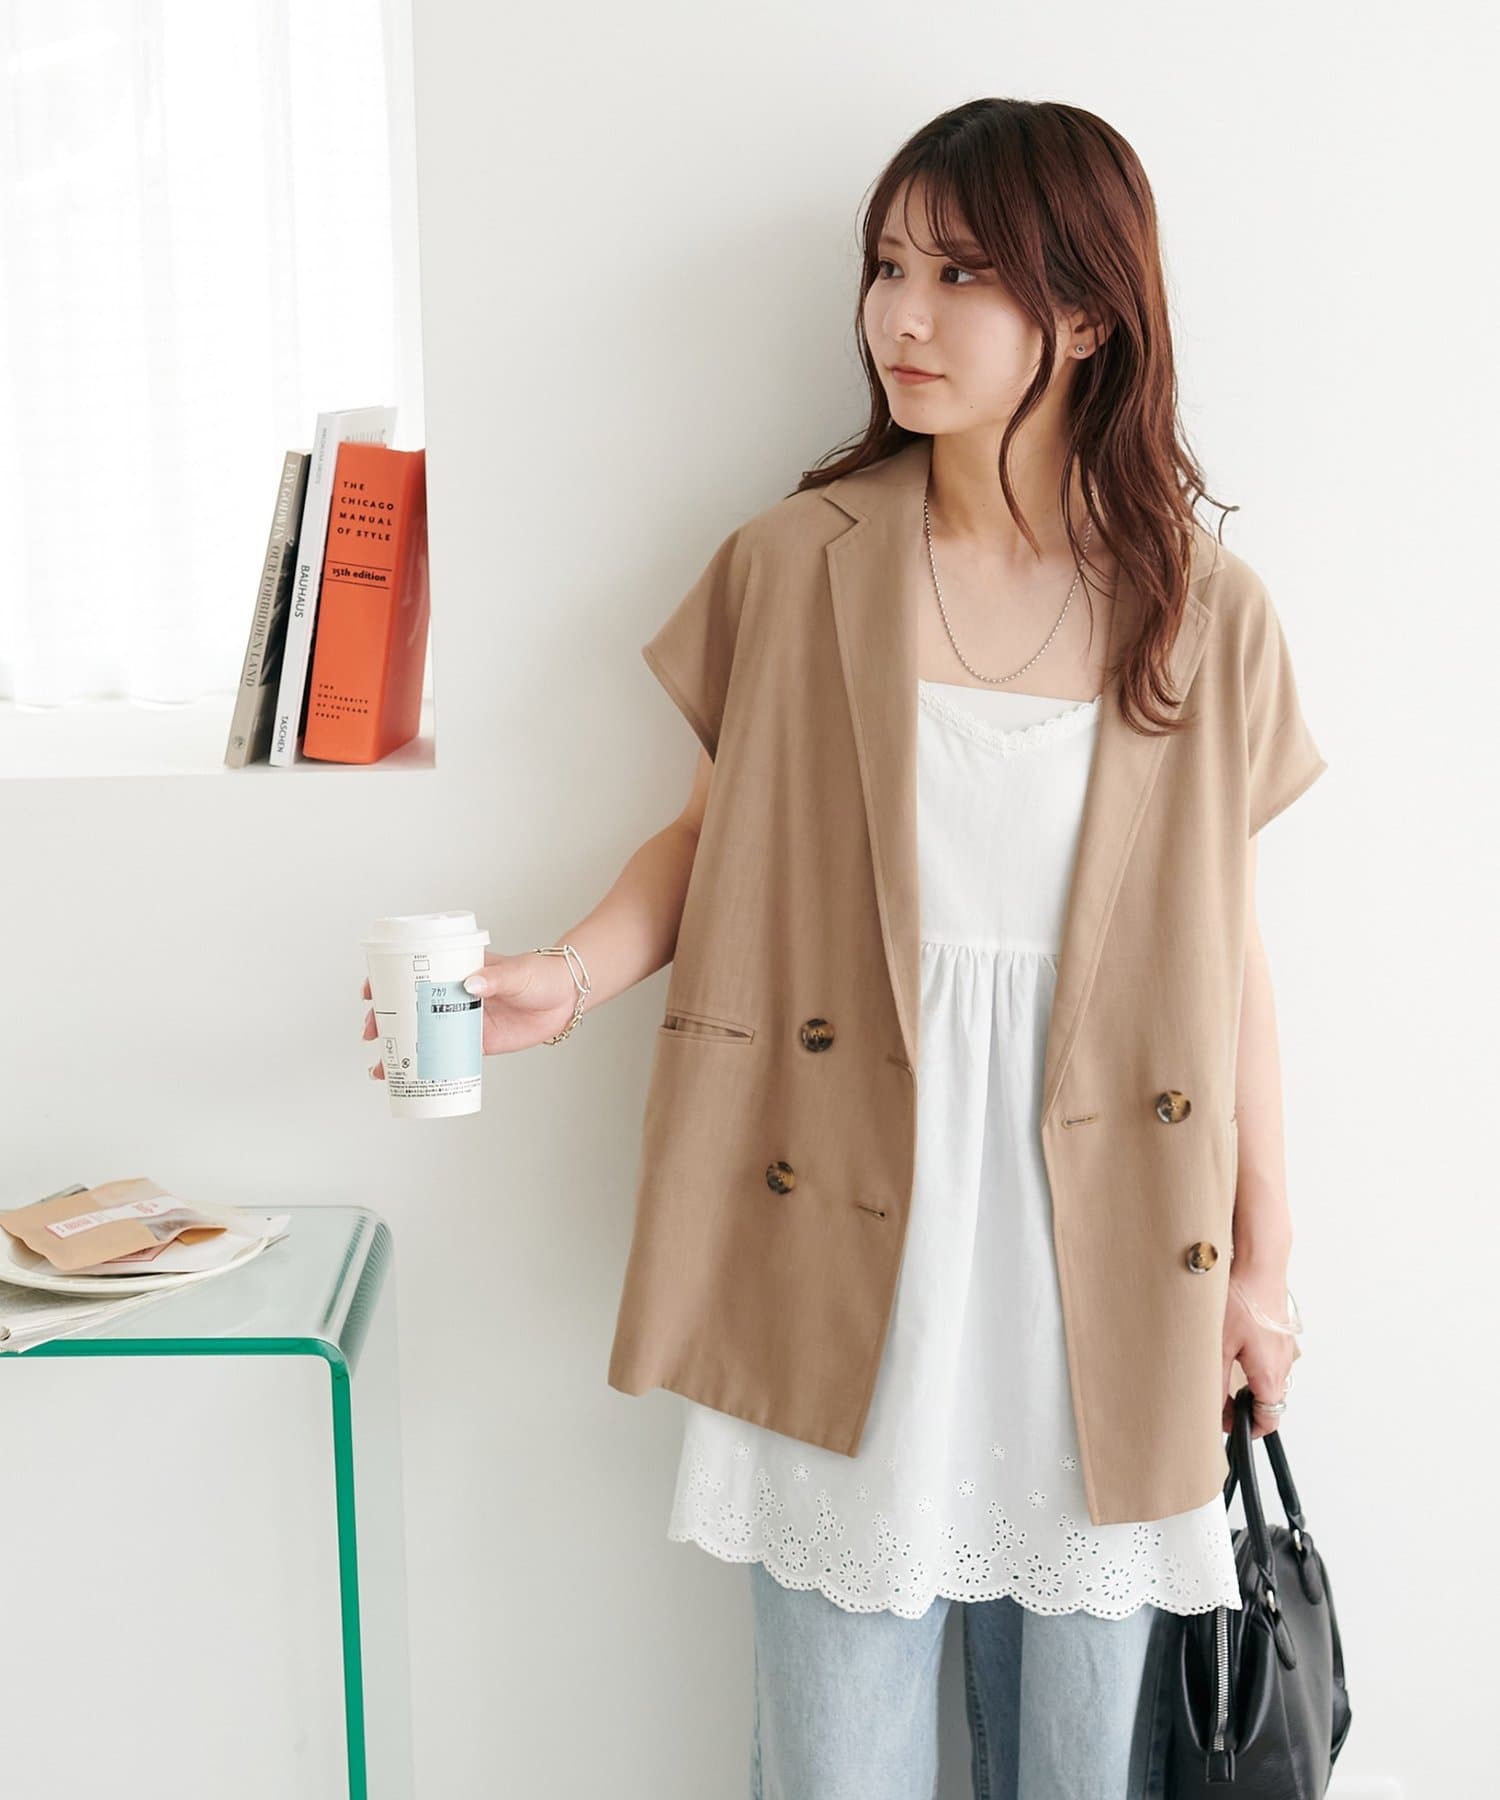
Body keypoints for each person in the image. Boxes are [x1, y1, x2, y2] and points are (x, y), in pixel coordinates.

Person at [362, 96, 1320, 1800]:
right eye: (887, 267)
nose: (900, 316)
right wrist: (566, 981)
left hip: (1103, 1240)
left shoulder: (1198, 609)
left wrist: (1265, 1265)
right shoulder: (798, 566)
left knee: (1081, 1759)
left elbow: (1228, 952)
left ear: (1086, 314)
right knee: (837, 1754)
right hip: (852, 1204)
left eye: (958, 275)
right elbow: (707, 841)